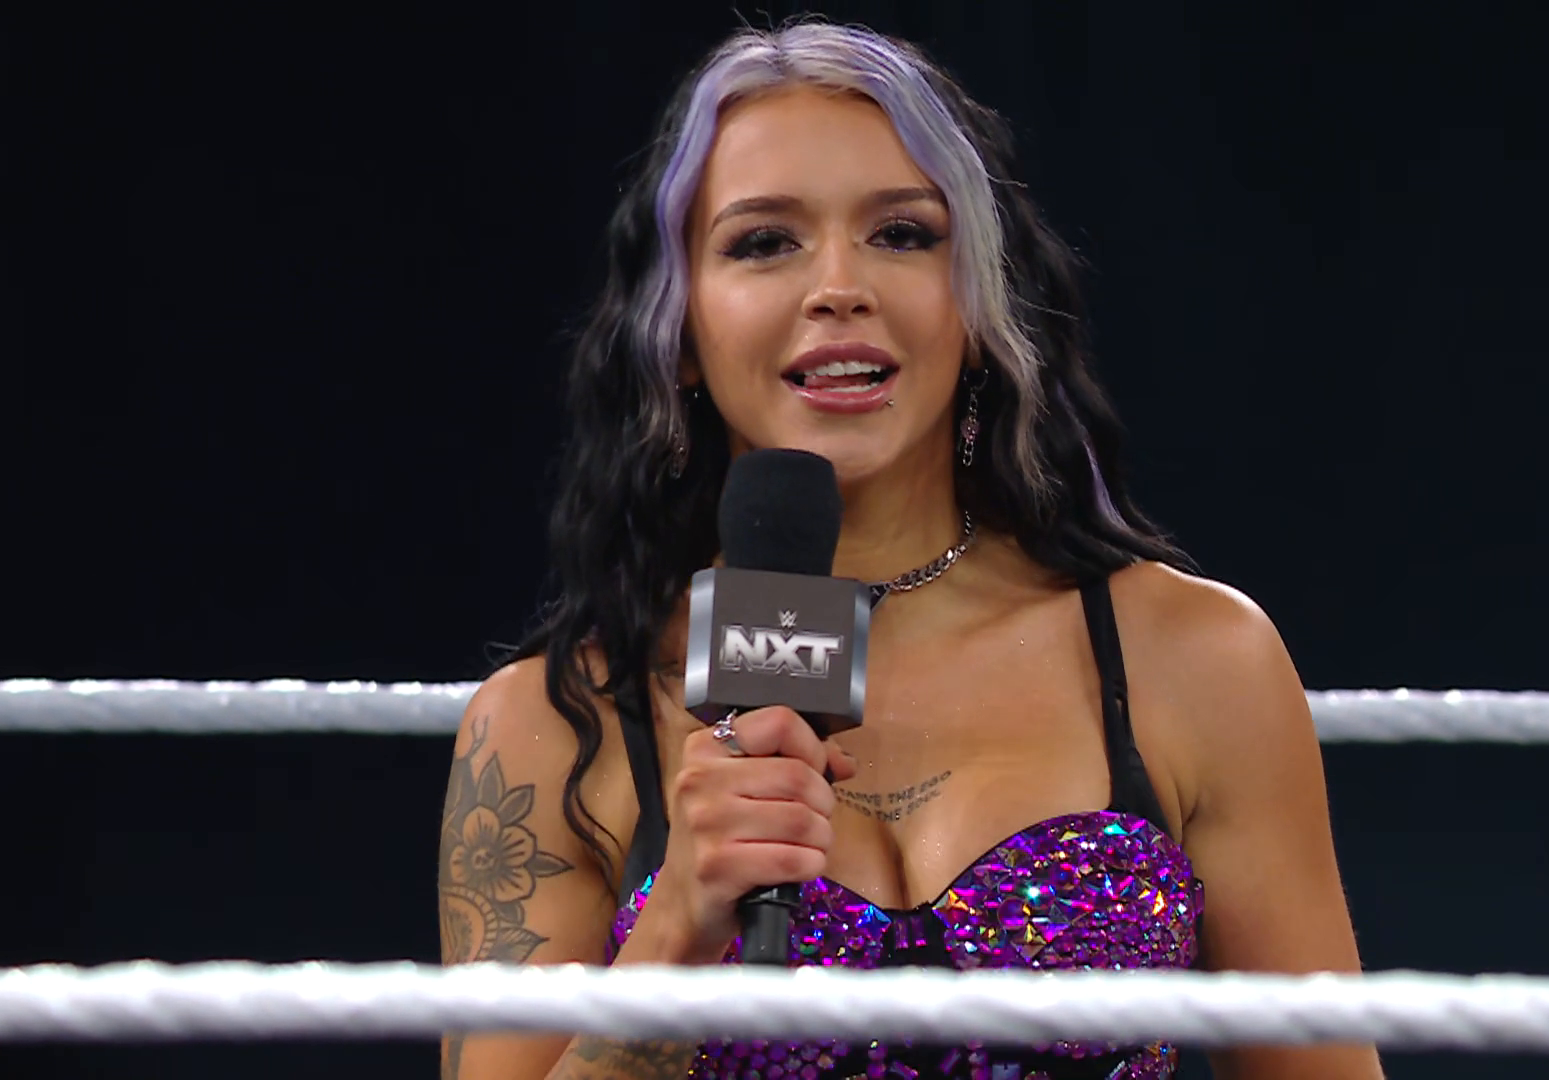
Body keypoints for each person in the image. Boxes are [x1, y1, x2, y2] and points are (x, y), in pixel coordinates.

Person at [437, 19, 1384, 1080]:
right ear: (679, 329)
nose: (839, 286)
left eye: (901, 233)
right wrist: (675, 938)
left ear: (977, 303)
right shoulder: (547, 729)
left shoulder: (1197, 659)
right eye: (764, 242)